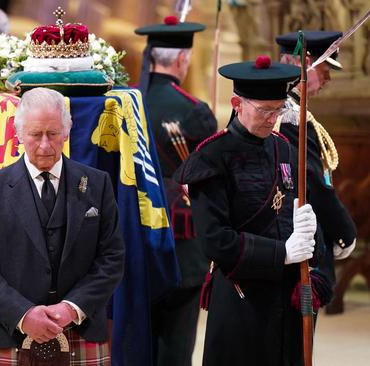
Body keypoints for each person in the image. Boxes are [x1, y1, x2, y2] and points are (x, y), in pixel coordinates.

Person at [175, 56, 330, 365]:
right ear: (237, 103)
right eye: (264, 110)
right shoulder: (211, 157)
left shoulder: (285, 147)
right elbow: (216, 241)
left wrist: (312, 245)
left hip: (286, 296)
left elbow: (293, 211)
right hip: (240, 297)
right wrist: (281, 253)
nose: (272, 119)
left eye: (278, 109)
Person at [0, 87, 125, 365]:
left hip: (80, 329)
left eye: (52, 134)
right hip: (9, 331)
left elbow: (111, 259)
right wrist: (24, 315)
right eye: (35, 135)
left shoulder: (98, 184)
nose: (45, 145)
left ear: (67, 130)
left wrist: (71, 309)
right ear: (19, 134)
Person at [135, 15, 217, 366]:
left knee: (138, 337)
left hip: (134, 235)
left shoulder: (124, 104)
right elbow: (210, 178)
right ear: (183, 59)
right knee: (177, 342)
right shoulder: (193, 111)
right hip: (181, 239)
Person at [275, 31, 357, 283]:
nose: (328, 79)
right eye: (325, 70)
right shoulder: (289, 115)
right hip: (296, 236)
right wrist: (345, 232)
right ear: (307, 64)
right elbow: (312, 181)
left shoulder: (284, 107)